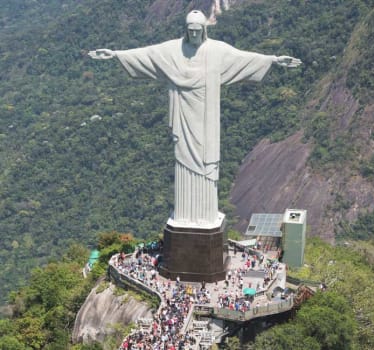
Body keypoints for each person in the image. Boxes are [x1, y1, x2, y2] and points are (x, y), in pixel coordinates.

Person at [89, 10, 301, 226]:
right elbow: (147, 54)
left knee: (207, 163)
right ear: (185, 30)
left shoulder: (217, 51)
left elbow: (244, 58)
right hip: (183, 119)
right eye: (190, 31)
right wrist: (116, 54)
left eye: (198, 31)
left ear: (205, 31)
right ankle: (184, 216)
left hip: (207, 122)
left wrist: (274, 60)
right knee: (183, 161)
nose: (194, 35)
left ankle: (205, 216)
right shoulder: (172, 50)